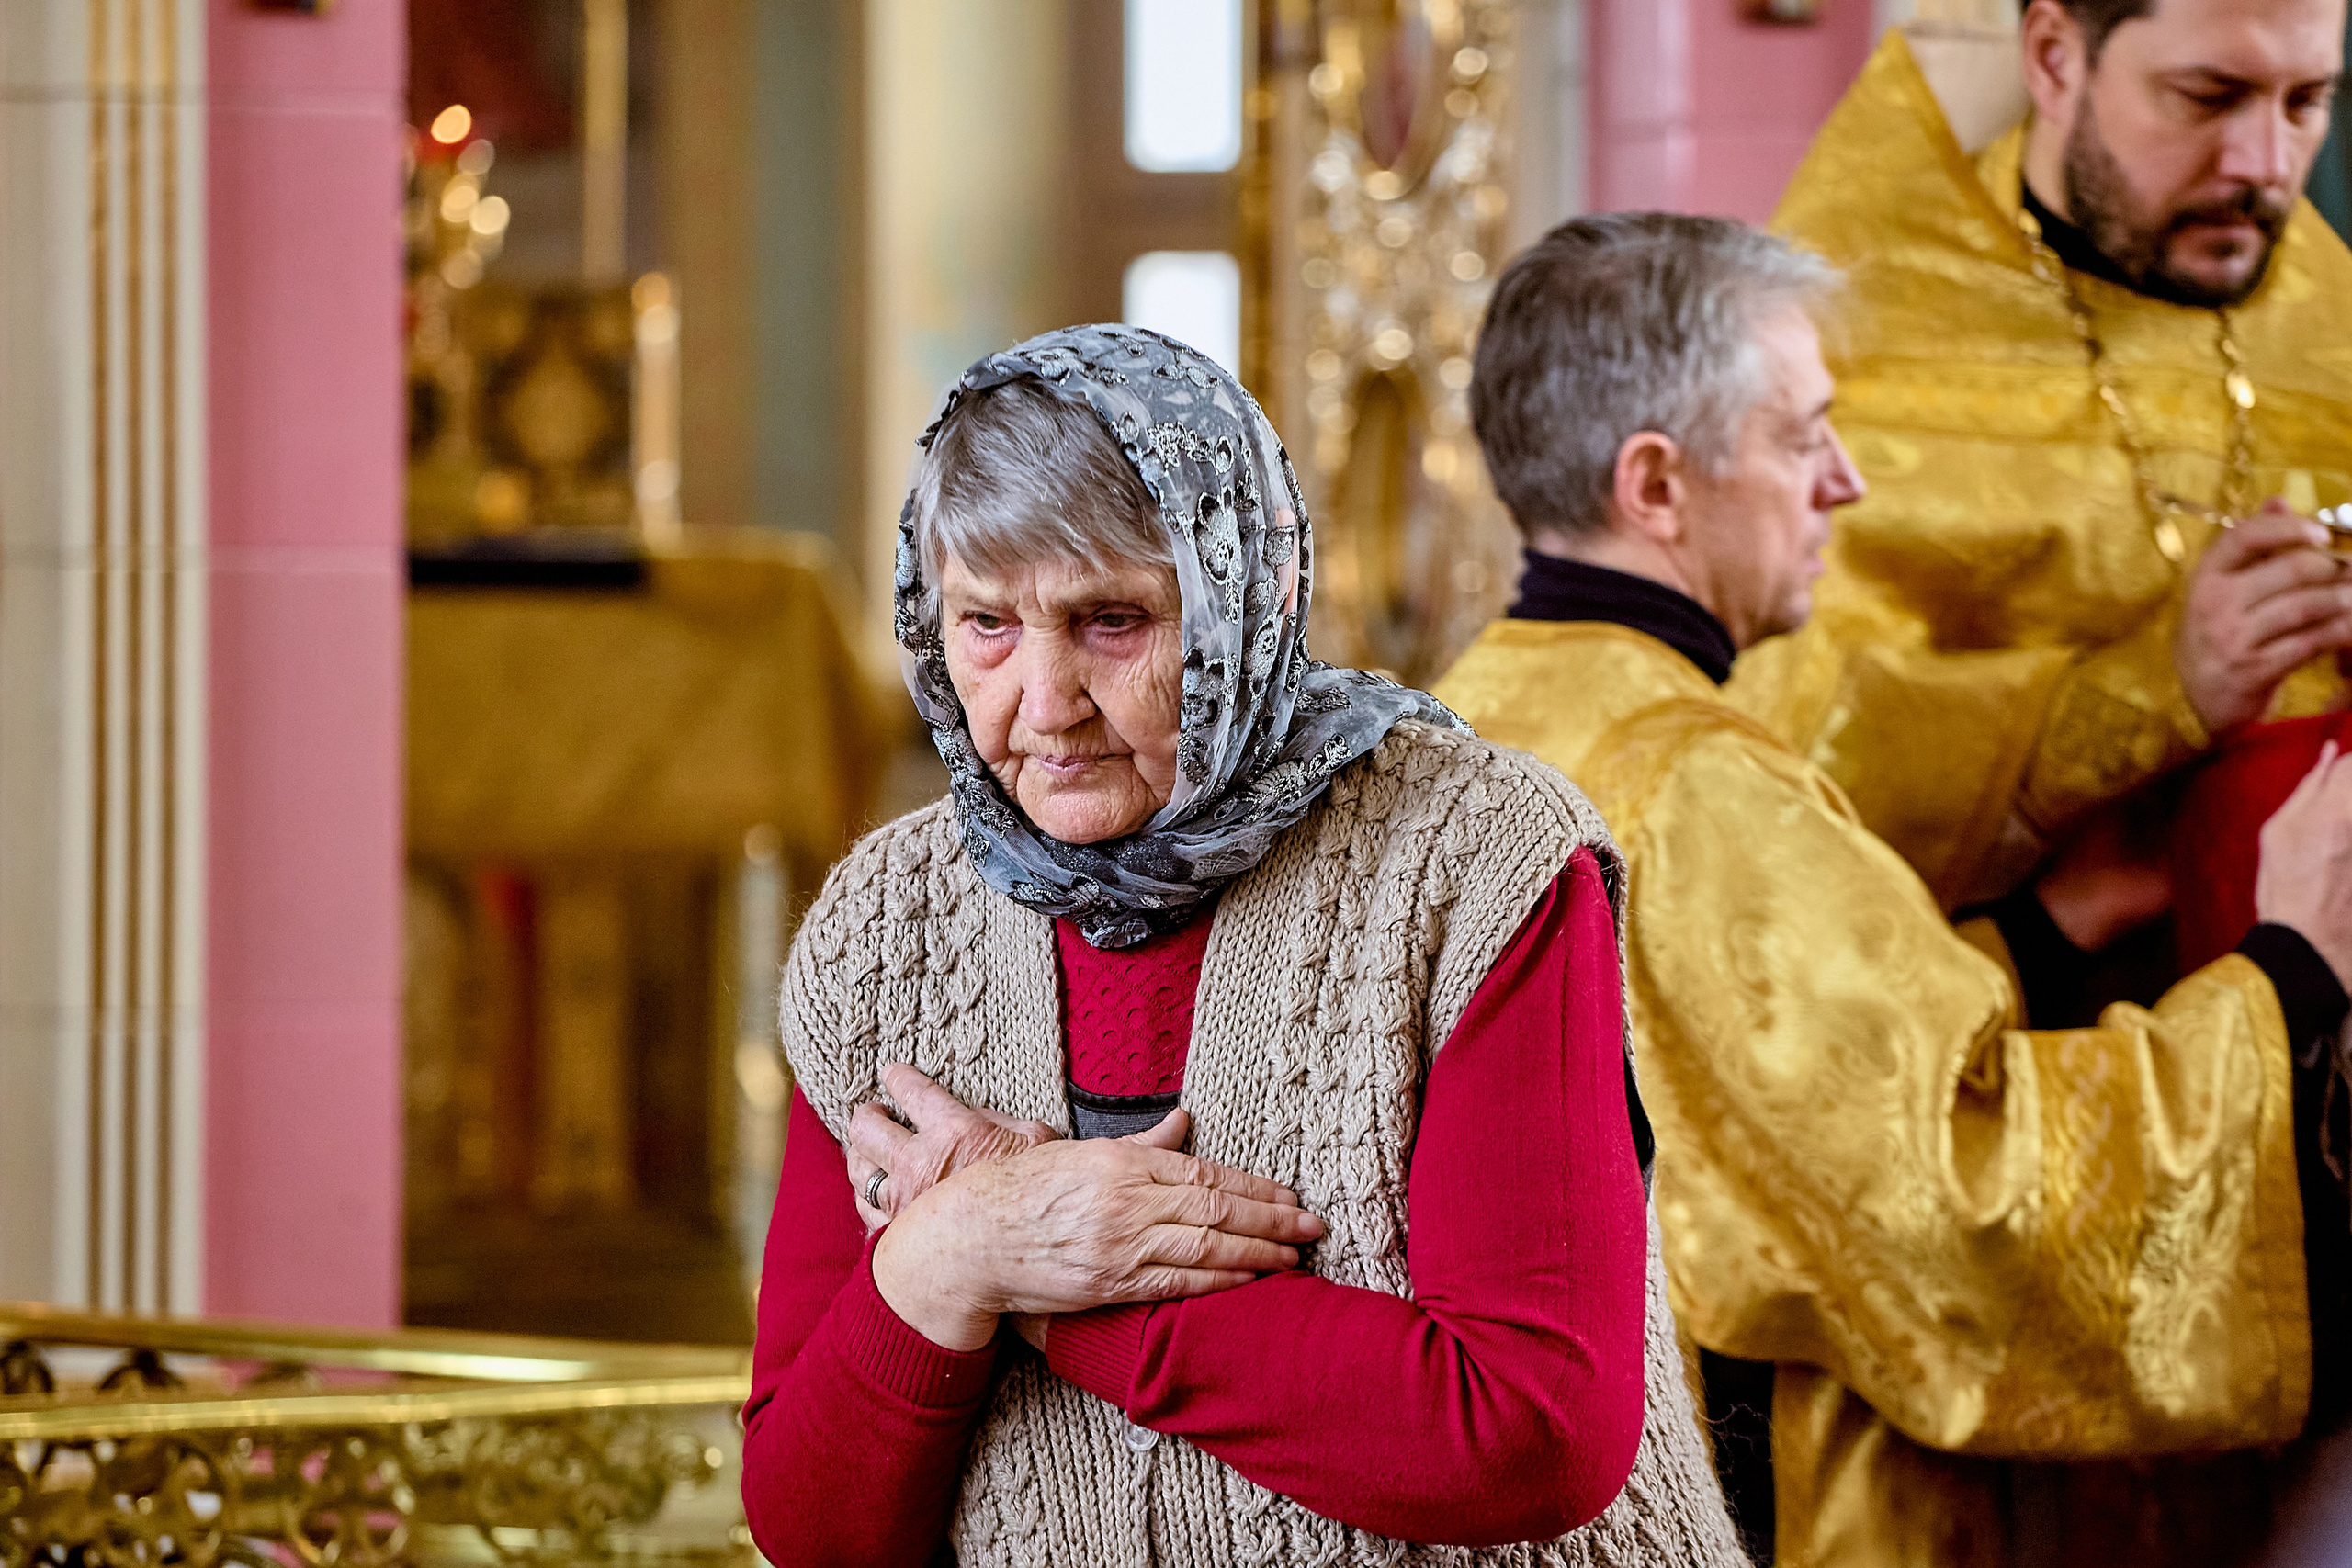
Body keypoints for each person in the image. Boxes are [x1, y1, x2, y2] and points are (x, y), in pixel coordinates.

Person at [738, 323, 1746, 1568]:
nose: (1044, 703)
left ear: (1245, 599)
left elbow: (1527, 1431)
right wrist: (952, 1253)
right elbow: (813, 1526)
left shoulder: (1474, 855)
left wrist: (1050, 1284)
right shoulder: (884, 923)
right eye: (986, 622)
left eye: (1112, 620)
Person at [1432, 213, 2352, 1567]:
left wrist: (2042, 934)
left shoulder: (1471, 722)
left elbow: (1735, 1096)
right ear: (1658, 485)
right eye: (1803, 437)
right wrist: (2294, 970)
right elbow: (1954, 1212)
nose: (1846, 483)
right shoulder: (1702, 788)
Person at [1732, 0, 2352, 917]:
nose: (2264, 165)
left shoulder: (2330, 314)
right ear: (2056, 58)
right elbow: (1782, 793)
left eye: (2305, 102)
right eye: (2208, 96)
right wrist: (2159, 690)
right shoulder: (1850, 343)